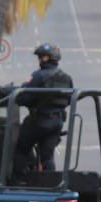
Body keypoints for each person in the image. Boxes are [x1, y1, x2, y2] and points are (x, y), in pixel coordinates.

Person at [12, 42, 73, 180]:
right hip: (57, 123)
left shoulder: (39, 76)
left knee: (21, 150)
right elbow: (69, 100)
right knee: (48, 156)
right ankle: (50, 184)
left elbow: (24, 98)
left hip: (38, 121)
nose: (39, 60)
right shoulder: (66, 78)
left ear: (46, 58)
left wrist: (14, 94)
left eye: (40, 57)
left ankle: (18, 182)